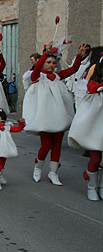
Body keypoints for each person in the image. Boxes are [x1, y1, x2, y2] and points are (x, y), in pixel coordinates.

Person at [24, 43, 87, 185]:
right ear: (43, 63)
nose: (51, 65)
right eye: (48, 62)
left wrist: (79, 56)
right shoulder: (38, 77)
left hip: (59, 115)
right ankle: (38, 166)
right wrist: (46, 53)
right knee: (46, 145)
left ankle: (53, 172)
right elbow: (37, 69)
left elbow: (73, 69)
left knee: (57, 144)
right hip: (45, 117)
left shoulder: (58, 76)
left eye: (53, 63)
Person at [68, 46, 103, 200]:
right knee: (95, 158)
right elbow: (92, 88)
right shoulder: (93, 83)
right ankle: (92, 186)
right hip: (96, 125)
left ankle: (101, 186)